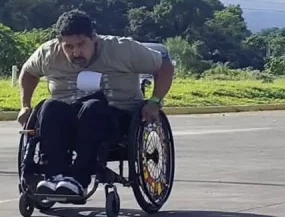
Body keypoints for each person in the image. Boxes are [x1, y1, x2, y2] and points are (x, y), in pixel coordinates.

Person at [17, 10, 175, 198]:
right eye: (68, 47)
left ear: (94, 37)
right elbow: (28, 73)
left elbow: (164, 66)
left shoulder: (122, 49)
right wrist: (25, 105)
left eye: (81, 44)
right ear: (60, 43)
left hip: (115, 117)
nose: (76, 52)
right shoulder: (48, 53)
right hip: (67, 119)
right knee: (50, 106)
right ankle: (54, 176)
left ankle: (78, 179)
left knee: (93, 107)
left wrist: (155, 101)